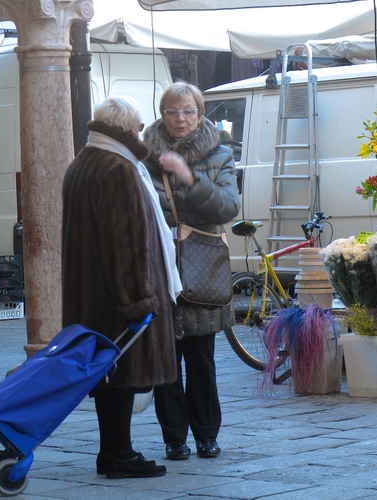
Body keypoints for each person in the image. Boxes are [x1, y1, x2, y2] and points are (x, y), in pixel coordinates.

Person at [61, 96, 182, 478]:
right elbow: (127, 243)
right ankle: (120, 455)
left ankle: (112, 451)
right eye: (138, 127)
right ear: (128, 128)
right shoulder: (118, 168)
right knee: (123, 374)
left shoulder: (83, 161)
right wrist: (138, 300)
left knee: (109, 375)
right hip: (119, 295)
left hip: (92, 293)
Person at [143, 82, 241, 461]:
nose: (180, 119)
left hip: (201, 266)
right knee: (165, 358)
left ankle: (206, 434)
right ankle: (174, 437)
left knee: (201, 357)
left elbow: (227, 208)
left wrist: (189, 177)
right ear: (162, 114)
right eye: (172, 111)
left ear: (200, 114)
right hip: (160, 264)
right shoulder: (146, 156)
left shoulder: (220, 154)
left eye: (188, 111)